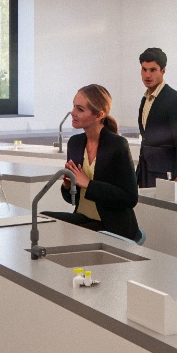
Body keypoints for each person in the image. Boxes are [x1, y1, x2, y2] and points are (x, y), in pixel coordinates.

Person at [45, 84, 141, 242]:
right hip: (84, 218)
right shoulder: (75, 143)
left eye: (80, 109)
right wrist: (68, 187)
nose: (73, 113)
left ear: (98, 115)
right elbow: (73, 200)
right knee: (43, 220)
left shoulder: (117, 145)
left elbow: (130, 198)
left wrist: (88, 184)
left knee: (67, 236)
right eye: (74, 106)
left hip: (112, 226)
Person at [135, 48, 177, 189]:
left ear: (163, 71)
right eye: (144, 69)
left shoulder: (175, 99)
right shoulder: (145, 99)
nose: (147, 75)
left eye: (153, 70)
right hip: (147, 169)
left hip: (168, 171)